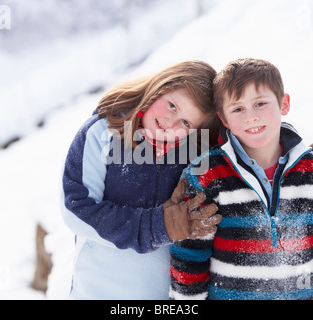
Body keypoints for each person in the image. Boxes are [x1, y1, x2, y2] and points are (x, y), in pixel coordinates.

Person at [169, 58, 313, 300]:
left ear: (283, 103)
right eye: (238, 109)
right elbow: (189, 258)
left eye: (260, 103)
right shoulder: (206, 175)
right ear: (223, 119)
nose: (251, 117)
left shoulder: (312, 171)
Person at [61, 61, 223, 299]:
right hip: (97, 291)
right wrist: (157, 226)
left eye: (186, 123)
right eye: (172, 106)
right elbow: (77, 211)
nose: (171, 122)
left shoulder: (196, 158)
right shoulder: (102, 132)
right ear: (159, 88)